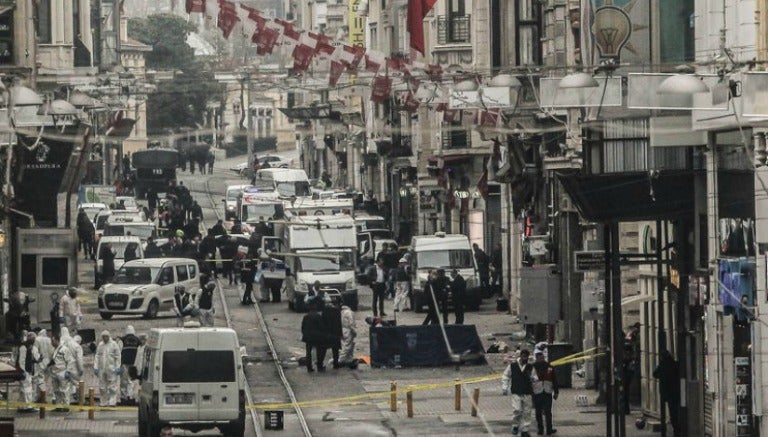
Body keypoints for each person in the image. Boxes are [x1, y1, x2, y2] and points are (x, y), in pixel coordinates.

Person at [502, 349, 536, 437]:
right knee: (517, 409)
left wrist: (533, 379)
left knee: (527, 411)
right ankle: (515, 425)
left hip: (527, 392)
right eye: (524, 357)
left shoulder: (530, 367)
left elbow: (535, 377)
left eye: (527, 357)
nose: (525, 359)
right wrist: (504, 387)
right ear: (520, 356)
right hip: (516, 391)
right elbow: (506, 375)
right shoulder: (512, 366)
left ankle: (525, 430)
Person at [654, 350, 680, 435]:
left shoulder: (663, 365)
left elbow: (654, 374)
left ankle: (676, 430)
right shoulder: (674, 364)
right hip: (676, 392)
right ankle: (677, 430)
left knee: (672, 413)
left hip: (668, 393)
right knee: (676, 412)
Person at [532, 351, 558, 436]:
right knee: (538, 412)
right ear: (536, 358)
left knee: (548, 411)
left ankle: (549, 429)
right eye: (539, 358)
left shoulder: (549, 367)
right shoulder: (532, 368)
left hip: (547, 391)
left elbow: (554, 379)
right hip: (537, 392)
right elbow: (529, 380)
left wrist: (556, 391)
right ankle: (540, 429)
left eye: (542, 357)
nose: (541, 359)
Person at [94, 330, 121, 407]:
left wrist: (117, 367)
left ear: (108, 336)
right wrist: (96, 367)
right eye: (103, 337)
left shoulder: (114, 345)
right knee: (102, 386)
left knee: (112, 386)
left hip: (111, 369)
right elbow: (97, 356)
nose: (105, 338)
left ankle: (112, 402)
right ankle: (103, 402)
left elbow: (118, 356)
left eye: (106, 336)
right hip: (102, 369)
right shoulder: (100, 345)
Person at [50, 335, 77, 411]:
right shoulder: (53, 350)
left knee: (64, 390)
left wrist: (68, 371)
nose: (52, 343)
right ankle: (58, 406)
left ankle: (66, 406)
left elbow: (70, 361)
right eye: (51, 341)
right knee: (56, 390)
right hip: (54, 372)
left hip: (62, 372)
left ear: (57, 340)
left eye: (53, 341)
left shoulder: (64, 349)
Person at [301, 299, 326, 372]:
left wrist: (305, 334)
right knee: (319, 351)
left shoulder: (306, 316)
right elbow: (322, 327)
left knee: (308, 352)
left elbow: (303, 327)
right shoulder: (318, 316)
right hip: (316, 337)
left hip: (308, 337)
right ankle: (319, 366)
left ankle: (309, 367)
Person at [16, 331, 39, 411]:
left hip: (26, 371)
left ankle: (22, 406)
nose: (34, 340)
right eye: (33, 339)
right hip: (25, 371)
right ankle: (28, 407)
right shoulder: (24, 347)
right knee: (27, 389)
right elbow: (21, 361)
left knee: (23, 390)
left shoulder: (28, 347)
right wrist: (24, 371)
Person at [118, 326, 140, 404]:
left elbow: (119, 352)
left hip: (124, 363)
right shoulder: (138, 340)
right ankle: (131, 397)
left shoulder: (122, 340)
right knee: (132, 381)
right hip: (134, 363)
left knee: (124, 381)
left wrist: (119, 364)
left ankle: (123, 398)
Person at [321, 298, 343, 369]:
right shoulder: (337, 311)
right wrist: (340, 334)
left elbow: (323, 322)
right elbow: (339, 323)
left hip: (327, 332)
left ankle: (320, 363)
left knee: (323, 349)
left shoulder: (325, 311)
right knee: (335, 350)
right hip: (335, 332)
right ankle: (335, 364)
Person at [33, 329, 54, 401]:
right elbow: (52, 351)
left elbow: (35, 351)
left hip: (41, 361)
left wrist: (37, 359)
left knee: (40, 379)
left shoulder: (37, 339)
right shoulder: (49, 340)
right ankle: (44, 396)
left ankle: (41, 397)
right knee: (46, 380)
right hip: (48, 361)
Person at [339, 304, 358, 368]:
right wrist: (354, 331)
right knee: (347, 346)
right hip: (348, 330)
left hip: (342, 329)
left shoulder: (341, 312)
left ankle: (348, 359)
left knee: (346, 345)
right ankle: (341, 360)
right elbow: (351, 323)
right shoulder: (349, 312)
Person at [70, 335, 85, 403]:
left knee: (70, 384)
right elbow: (79, 359)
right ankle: (80, 400)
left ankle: (72, 399)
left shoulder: (68, 344)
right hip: (75, 368)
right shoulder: (77, 347)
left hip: (67, 368)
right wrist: (81, 369)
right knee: (78, 384)